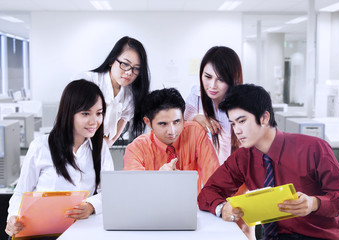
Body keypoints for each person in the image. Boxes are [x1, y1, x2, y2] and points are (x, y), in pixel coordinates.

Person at [198, 84, 339, 240]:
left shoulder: (313, 148)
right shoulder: (243, 157)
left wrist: (314, 203)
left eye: (242, 121)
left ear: (264, 118)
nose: (236, 130)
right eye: (233, 124)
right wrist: (222, 208)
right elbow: (207, 193)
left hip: (319, 237)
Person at [5, 80, 114, 237]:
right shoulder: (41, 146)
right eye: (85, 113)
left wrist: (91, 206)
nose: (94, 121)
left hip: (79, 231)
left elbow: (109, 191)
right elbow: (21, 192)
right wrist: (13, 217)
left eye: (99, 113)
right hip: (39, 232)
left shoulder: (100, 148)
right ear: (69, 113)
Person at [123, 88, 220, 192]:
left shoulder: (195, 132)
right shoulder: (135, 149)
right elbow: (135, 191)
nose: (172, 131)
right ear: (148, 122)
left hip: (191, 206)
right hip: (152, 207)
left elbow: (214, 181)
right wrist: (158, 178)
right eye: (163, 124)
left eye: (177, 121)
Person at [75, 36, 150, 147]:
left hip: (97, 150)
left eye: (136, 68)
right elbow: (70, 120)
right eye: (125, 64)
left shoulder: (129, 97)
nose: (129, 72)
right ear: (111, 60)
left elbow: (111, 138)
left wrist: (100, 152)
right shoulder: (88, 80)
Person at [184, 46, 243, 165]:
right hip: (203, 169)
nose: (212, 85)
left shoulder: (241, 105)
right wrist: (196, 118)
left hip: (233, 171)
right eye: (208, 76)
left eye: (221, 79)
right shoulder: (196, 94)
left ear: (233, 79)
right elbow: (181, 121)